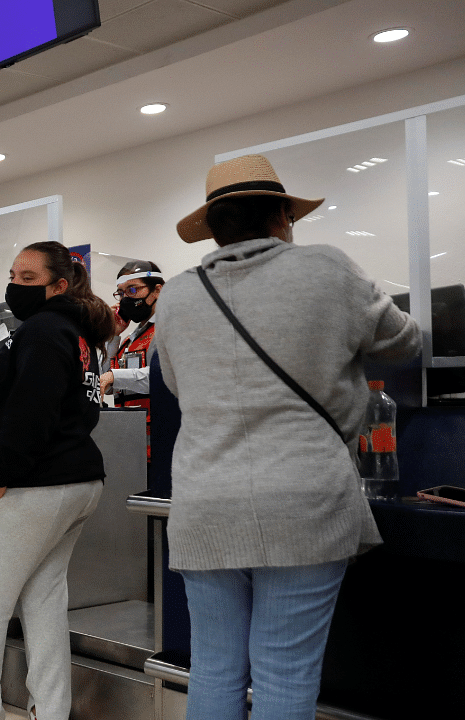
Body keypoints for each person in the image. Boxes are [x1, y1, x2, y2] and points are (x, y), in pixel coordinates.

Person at [153, 154, 420, 720]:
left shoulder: (175, 295)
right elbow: (404, 342)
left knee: (215, 668)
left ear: (214, 228)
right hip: (305, 499)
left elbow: (178, 386)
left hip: (205, 503)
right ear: (283, 218)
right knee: (284, 673)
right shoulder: (327, 269)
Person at [0, 242, 116, 720]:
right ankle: (50, 708)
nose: (15, 285)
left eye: (29, 278)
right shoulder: (74, 333)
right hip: (76, 480)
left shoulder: (44, 330)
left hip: (30, 483)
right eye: (13, 274)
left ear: (59, 286)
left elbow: (32, 412)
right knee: (44, 597)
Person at [99, 260, 165, 458]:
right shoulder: (129, 339)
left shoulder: (166, 327)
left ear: (157, 291)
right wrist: (113, 336)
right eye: (121, 292)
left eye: (132, 290)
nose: (125, 298)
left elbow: (161, 377)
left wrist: (113, 376)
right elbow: (106, 383)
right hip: (132, 446)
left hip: (162, 445)